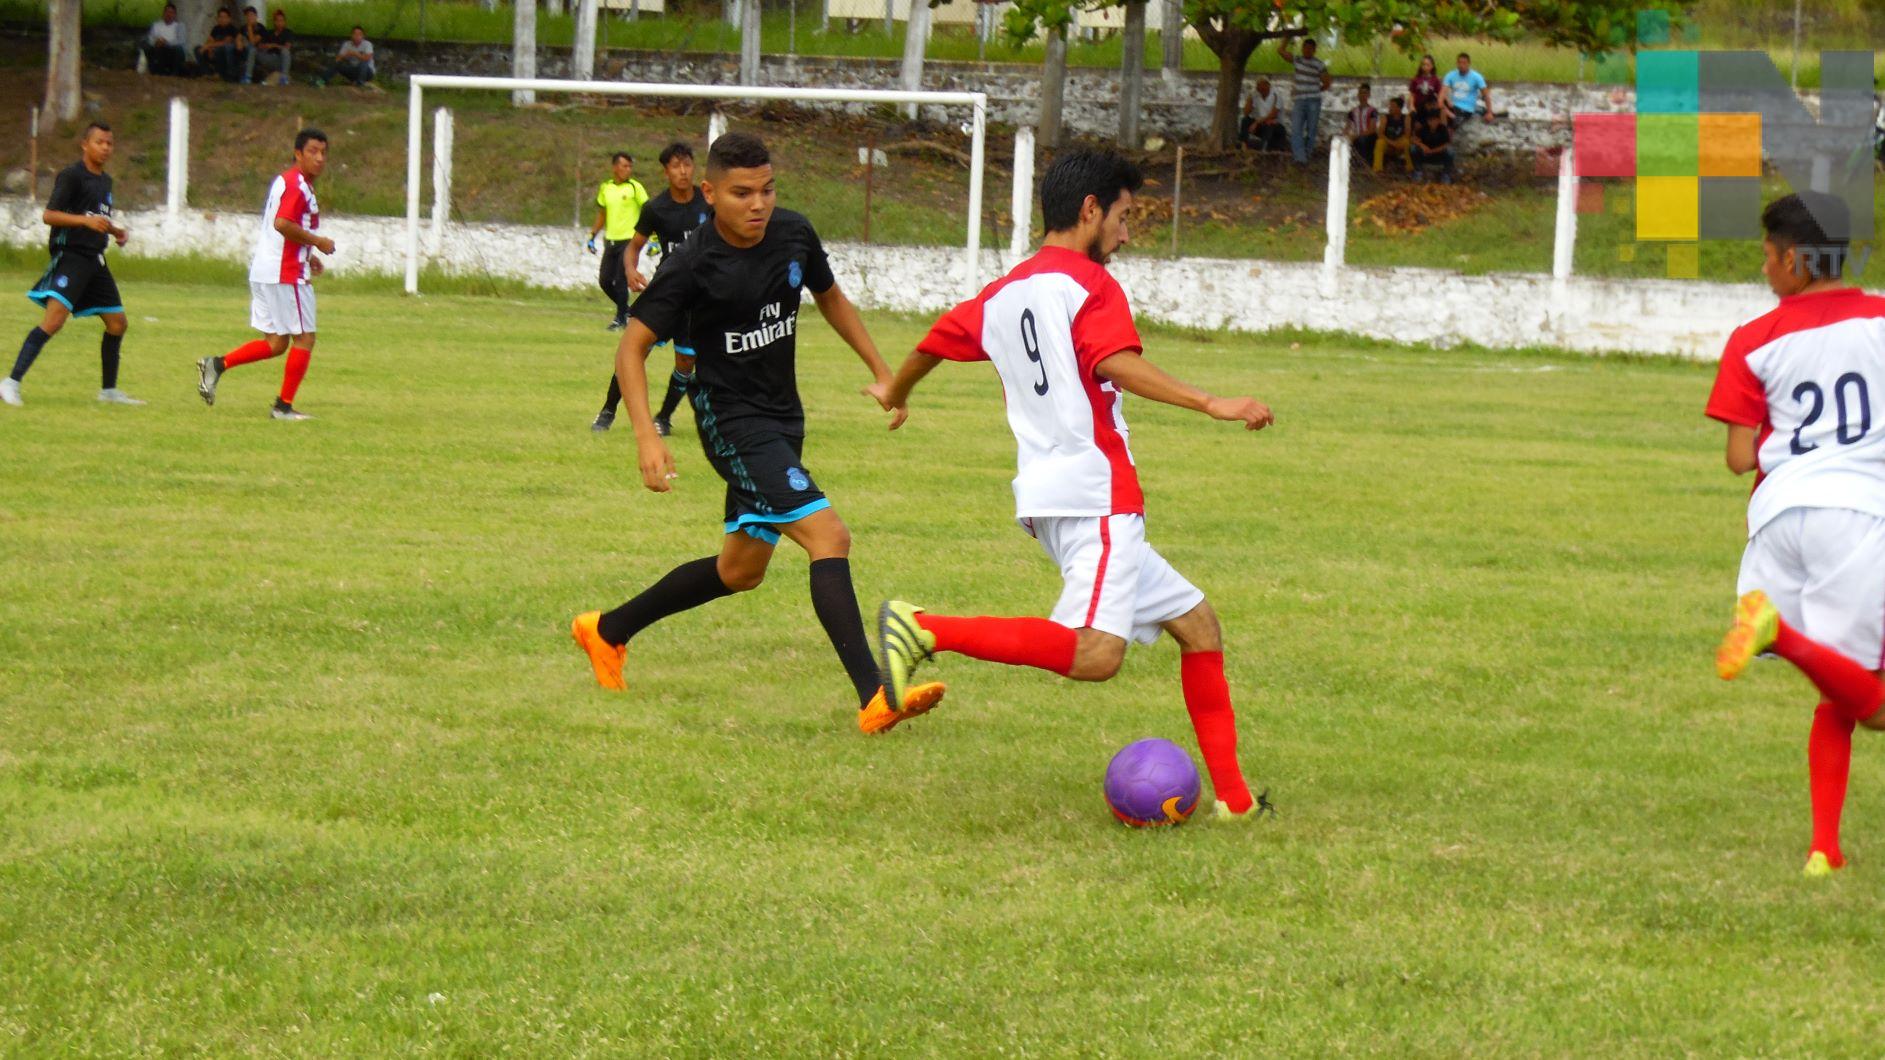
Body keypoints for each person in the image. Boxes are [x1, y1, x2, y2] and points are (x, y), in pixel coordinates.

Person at [872, 148, 1275, 819]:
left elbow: (933, 344)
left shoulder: (1003, 292)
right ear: (1089, 210)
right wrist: (1212, 403)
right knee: (1095, 655)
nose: (1125, 232)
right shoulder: (1090, 284)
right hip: (1097, 496)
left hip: (1049, 499)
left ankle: (1234, 800)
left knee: (1198, 626)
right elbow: (1112, 362)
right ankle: (923, 628)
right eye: (1122, 216)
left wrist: (895, 390)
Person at [569, 132, 946, 733]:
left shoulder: (794, 233)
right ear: (710, 193)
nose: (759, 204)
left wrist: (883, 373)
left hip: (782, 418)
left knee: (740, 571)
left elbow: (832, 298)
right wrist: (646, 434)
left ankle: (607, 631)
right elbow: (632, 346)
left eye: (767, 190)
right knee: (830, 537)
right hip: (730, 424)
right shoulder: (692, 262)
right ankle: (875, 696)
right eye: (742, 193)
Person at [1711, 191, 1885, 878]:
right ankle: (1773, 631)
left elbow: (1736, 459)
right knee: (1873, 707)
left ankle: (1824, 849)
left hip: (1778, 519)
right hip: (1858, 520)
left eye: (1764, 256)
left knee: (1842, 689)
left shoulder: (1753, 339)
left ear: (1794, 259)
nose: (1763, 268)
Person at [195, 128, 333, 421]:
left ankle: (216, 365)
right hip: (284, 273)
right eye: (313, 152)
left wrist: (309, 255)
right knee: (305, 338)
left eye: (323, 152)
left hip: (266, 268)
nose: (320, 158)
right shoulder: (298, 185)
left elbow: (282, 225)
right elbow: (283, 223)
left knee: (276, 343)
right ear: (298, 154)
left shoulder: (286, 180)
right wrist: (317, 242)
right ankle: (283, 407)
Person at [2, 123, 141, 409]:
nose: (105, 148)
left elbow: (98, 218)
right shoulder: (71, 176)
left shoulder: (105, 182)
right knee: (53, 321)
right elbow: (49, 215)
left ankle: (108, 391)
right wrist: (85, 221)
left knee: (117, 324)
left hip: (96, 261)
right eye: (100, 142)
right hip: (73, 257)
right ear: (85, 144)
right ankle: (10, 382)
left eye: (109, 143)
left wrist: (115, 232)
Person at [593, 141, 711, 434]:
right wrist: (631, 270)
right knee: (634, 351)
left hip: (697, 296)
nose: (683, 172)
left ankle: (664, 418)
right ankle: (608, 410)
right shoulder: (655, 208)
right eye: (676, 166)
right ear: (665, 171)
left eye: (687, 165)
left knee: (686, 360)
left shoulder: (709, 203)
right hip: (665, 292)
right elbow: (633, 248)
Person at [586, 151, 649, 332]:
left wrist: (652, 237)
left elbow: (648, 212)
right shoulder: (606, 188)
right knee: (605, 280)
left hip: (629, 240)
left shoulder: (635, 188)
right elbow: (602, 214)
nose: (628, 170)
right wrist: (592, 235)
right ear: (615, 168)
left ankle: (620, 319)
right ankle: (627, 311)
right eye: (624, 166)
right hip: (611, 240)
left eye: (630, 166)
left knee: (621, 280)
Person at [1277, 36, 1331, 165]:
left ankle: (1307, 154)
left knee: (1311, 130)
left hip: (1313, 100)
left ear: (1314, 50)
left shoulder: (1319, 64)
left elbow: (1327, 82)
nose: (1306, 50)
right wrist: (1287, 36)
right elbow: (1280, 51)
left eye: (1309, 48)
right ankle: (1300, 158)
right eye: (1304, 48)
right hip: (1299, 100)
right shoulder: (1297, 60)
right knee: (1296, 129)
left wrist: (1316, 90)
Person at [1443, 52, 1493, 127]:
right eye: (1459, 63)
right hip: (1453, 106)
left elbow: (1485, 95)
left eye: (1464, 63)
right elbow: (1443, 92)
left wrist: (1489, 112)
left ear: (1469, 64)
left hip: (1466, 108)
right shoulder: (1450, 75)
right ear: (1456, 63)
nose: (1461, 65)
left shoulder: (1477, 77)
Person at [139, 3, 188, 77]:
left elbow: (181, 41)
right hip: (158, 48)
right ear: (163, 13)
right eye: (167, 12)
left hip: (172, 50)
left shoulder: (179, 26)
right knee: (148, 47)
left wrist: (166, 42)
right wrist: (156, 42)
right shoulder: (156, 25)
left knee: (178, 49)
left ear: (175, 15)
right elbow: (150, 38)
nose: (169, 15)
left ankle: (174, 73)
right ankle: (157, 72)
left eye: (171, 13)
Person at [1238, 76, 1286, 152]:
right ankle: (1244, 146)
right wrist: (1250, 99)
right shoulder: (1256, 95)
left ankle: (1264, 149)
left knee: (1269, 123)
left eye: (1262, 87)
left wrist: (1256, 123)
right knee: (1245, 120)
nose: (1260, 90)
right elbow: (1246, 113)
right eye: (1258, 88)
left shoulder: (1276, 95)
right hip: (1261, 124)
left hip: (1275, 126)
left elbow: (1273, 115)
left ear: (1267, 85)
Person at [248, 8, 293, 86]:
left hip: (280, 60)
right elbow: (260, 45)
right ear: (274, 22)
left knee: (285, 51)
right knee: (253, 50)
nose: (279, 23)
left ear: (284, 22)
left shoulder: (288, 33)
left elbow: (287, 47)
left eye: (281, 21)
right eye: (277, 21)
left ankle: (284, 77)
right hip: (269, 58)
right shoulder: (269, 32)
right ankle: (247, 76)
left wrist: (274, 45)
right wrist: (266, 46)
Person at [197, 8, 243, 82]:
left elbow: (225, 43)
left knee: (220, 49)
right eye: (220, 17)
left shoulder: (232, 29)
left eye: (224, 17)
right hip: (214, 52)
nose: (222, 19)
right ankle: (207, 73)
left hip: (225, 57)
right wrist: (209, 49)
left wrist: (209, 46)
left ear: (229, 19)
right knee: (198, 49)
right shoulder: (216, 28)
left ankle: (219, 74)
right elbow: (209, 41)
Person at [1411, 104, 1454, 183]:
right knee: (1413, 148)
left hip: (1439, 153)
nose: (1433, 122)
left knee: (1450, 151)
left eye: (1435, 120)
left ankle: (1446, 174)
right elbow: (1414, 139)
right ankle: (1418, 171)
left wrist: (1433, 151)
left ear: (1438, 120)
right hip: (1425, 153)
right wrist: (1422, 145)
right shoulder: (1423, 129)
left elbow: (1446, 144)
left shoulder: (1443, 129)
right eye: (1431, 120)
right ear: (1428, 121)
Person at [1373, 96, 1413, 172]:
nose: (1390, 108)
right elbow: (1380, 133)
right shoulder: (1384, 117)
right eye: (1390, 106)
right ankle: (1378, 169)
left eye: (1392, 106)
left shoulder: (1406, 118)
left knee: (1406, 142)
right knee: (1379, 142)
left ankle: (1409, 169)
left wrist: (1397, 143)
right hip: (1388, 143)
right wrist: (1391, 143)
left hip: (1400, 144)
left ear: (1399, 108)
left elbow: (1407, 134)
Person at [1343, 84, 1379, 166]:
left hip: (1369, 136)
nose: (1363, 95)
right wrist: (1344, 136)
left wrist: (1357, 135)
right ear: (1358, 95)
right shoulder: (1353, 111)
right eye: (1361, 93)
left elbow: (1372, 129)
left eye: (1365, 93)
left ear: (1369, 95)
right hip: (1357, 135)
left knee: (1362, 140)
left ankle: (1363, 163)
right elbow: (1347, 127)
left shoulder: (1372, 111)